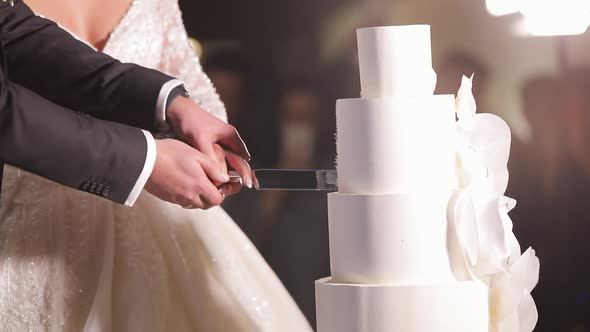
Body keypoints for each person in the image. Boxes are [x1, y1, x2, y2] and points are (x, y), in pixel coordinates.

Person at [0, 0, 312, 331]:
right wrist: (145, 162)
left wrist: (172, 103)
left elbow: (19, 35)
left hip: (158, 216)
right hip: (33, 227)